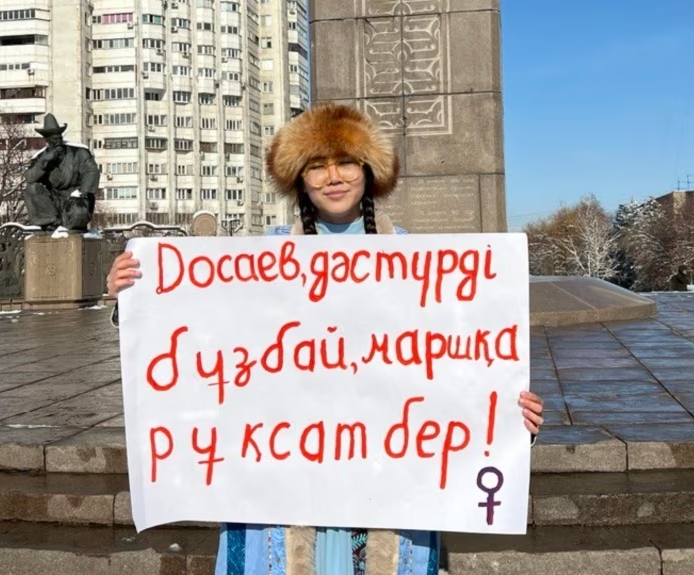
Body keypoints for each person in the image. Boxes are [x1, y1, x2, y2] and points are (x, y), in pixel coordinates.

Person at [106, 102, 545, 575]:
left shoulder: (421, 262)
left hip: (386, 471)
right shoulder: (258, 262)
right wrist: (133, 298)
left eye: (346, 162)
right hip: (285, 472)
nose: (332, 177)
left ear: (368, 171)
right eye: (316, 166)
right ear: (299, 180)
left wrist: (503, 416)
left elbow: (460, 364)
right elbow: (201, 346)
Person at [24, 113, 100, 232]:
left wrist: (83, 192)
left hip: (76, 198)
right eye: (55, 139)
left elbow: (91, 171)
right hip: (53, 203)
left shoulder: (79, 152)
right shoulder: (41, 158)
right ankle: (50, 222)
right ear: (47, 141)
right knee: (31, 188)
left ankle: (72, 220)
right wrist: (44, 162)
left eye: (60, 138)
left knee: (77, 216)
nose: (59, 141)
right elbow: (29, 178)